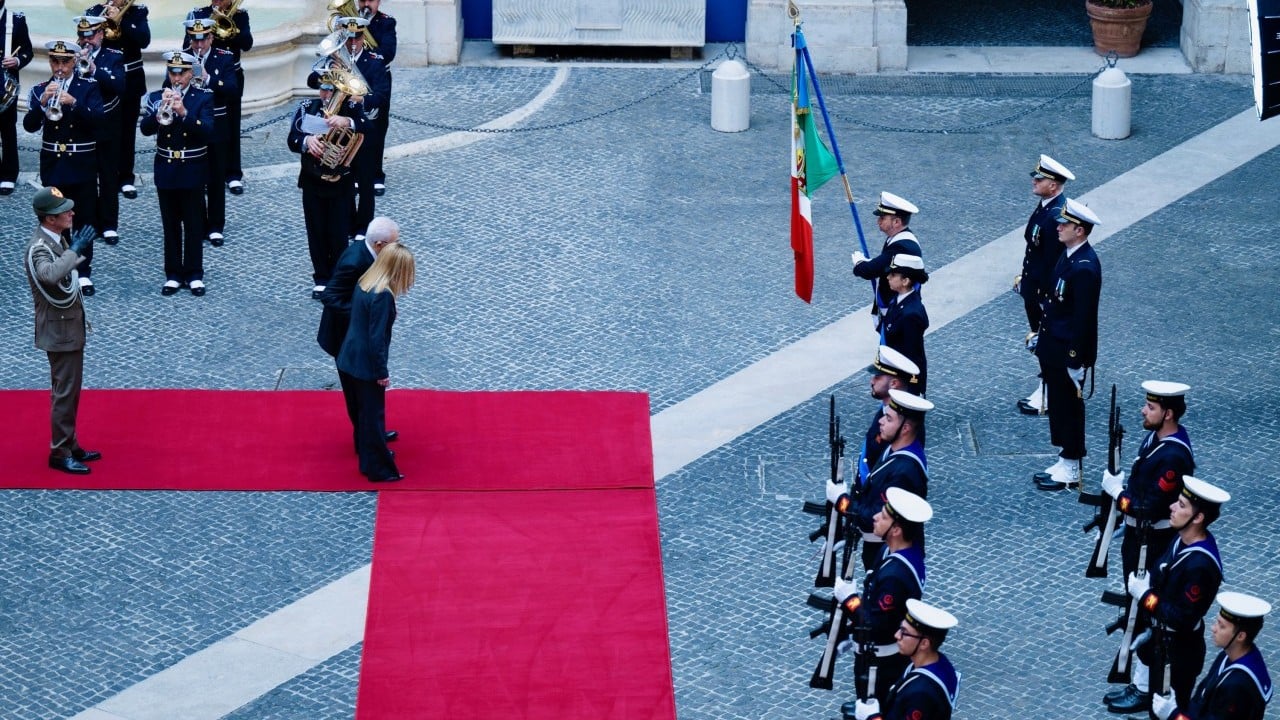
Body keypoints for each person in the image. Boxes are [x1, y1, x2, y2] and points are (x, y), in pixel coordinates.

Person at [1106, 476, 1229, 714]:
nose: (1171, 506)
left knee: (1168, 713)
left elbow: (1181, 618)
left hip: (1178, 653)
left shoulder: (1200, 565)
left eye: (1181, 505)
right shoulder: (1180, 539)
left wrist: (1145, 596)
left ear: (1198, 517)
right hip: (1162, 643)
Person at [833, 488, 932, 718]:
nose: (876, 517)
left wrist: (849, 599)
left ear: (896, 530)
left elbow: (875, 623)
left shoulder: (896, 575)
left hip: (882, 661)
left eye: (884, 516)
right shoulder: (892, 551)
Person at [24, 186, 100, 475]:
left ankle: (70, 443)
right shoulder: (39, 247)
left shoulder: (55, 238)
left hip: (67, 327)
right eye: (63, 211)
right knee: (64, 392)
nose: (71, 213)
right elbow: (50, 275)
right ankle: (59, 451)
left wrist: (70, 249)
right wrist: (74, 251)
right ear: (49, 219)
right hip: (59, 331)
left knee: (70, 391)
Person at [23, 40, 104, 296]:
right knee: (55, 218)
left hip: (81, 164)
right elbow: (29, 125)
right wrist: (42, 103)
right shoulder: (39, 88)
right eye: (55, 61)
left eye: (65, 62)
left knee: (83, 217)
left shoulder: (88, 87)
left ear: (73, 62)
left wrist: (74, 103)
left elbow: (98, 121)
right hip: (54, 164)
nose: (60, 67)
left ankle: (84, 271)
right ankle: (58, 267)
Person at [1032, 197, 1102, 490]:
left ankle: (1072, 465)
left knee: (1068, 408)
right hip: (1053, 345)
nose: (1058, 227)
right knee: (1058, 406)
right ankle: (1064, 457)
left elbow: (1083, 318)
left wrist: (1076, 359)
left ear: (1080, 230)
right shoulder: (1069, 255)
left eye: (1065, 224)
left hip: (1067, 351)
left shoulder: (1084, 266)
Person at [318, 216, 400, 449]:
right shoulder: (355, 261)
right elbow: (330, 296)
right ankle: (367, 442)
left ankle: (372, 435)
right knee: (359, 395)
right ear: (380, 245)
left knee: (367, 394)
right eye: (395, 243)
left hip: (354, 334)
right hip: (345, 337)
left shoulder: (366, 252)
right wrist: (364, 314)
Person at [1100, 381, 1196, 578]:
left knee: (1140, 603)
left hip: (1153, 541)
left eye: (1151, 407)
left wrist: (1117, 493)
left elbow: (1149, 507)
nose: (1143, 411)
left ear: (1167, 414)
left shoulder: (1173, 458)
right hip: (1138, 533)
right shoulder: (1155, 437)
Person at [337, 242, 415, 483]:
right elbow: (376, 339)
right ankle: (378, 468)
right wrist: (382, 372)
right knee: (373, 416)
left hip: (349, 356)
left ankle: (368, 459)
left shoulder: (366, 282)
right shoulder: (382, 296)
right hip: (366, 364)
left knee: (363, 415)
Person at [289, 63, 368, 298]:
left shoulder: (350, 110)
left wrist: (348, 123)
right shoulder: (308, 108)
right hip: (312, 181)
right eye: (322, 89)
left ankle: (339, 276)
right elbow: (292, 138)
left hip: (341, 182)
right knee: (316, 231)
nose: (324, 95)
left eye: (329, 90)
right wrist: (307, 142)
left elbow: (368, 127)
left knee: (339, 231)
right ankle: (321, 277)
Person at [140, 50, 213, 296]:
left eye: (182, 72)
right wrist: (159, 110)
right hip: (167, 169)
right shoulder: (157, 97)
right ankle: (172, 273)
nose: (177, 77)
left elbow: (209, 132)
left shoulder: (204, 97)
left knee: (193, 225)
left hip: (192, 169)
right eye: (173, 72)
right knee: (170, 225)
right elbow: (145, 129)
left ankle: (194, 273)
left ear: (191, 73)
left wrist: (184, 114)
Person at [836, 388, 930, 571]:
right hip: (880, 547)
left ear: (905, 428)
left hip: (888, 548)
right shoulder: (892, 449)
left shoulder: (905, 470)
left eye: (888, 419)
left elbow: (877, 516)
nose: (880, 421)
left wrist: (844, 504)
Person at [1151, 591, 1273, 720]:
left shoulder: (1237, 685)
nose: (1213, 628)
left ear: (1240, 636)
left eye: (1222, 626)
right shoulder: (1228, 655)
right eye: (1217, 622)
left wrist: (1173, 715)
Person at [1015, 154, 1073, 415]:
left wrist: (1044, 294)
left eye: (1040, 179)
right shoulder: (1046, 207)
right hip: (1034, 289)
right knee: (1042, 342)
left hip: (1043, 293)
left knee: (1048, 344)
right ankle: (1048, 386)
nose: (1034, 182)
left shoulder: (1056, 214)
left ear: (1054, 184)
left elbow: (1054, 261)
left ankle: (1049, 392)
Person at [852, 598, 960, 720]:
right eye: (900, 628)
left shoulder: (920, 694)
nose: (897, 635)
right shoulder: (941, 665)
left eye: (904, 632)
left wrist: (871, 717)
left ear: (924, 644)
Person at [85, 0, 150, 200]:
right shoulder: (95, 11)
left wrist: (119, 21)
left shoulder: (137, 12)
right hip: (104, 80)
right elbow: (85, 40)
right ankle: (103, 174)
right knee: (103, 128)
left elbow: (144, 40)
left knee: (127, 131)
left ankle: (125, 178)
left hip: (130, 80)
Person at [183, 17, 239, 247]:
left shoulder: (224, 58)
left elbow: (233, 89)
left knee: (216, 176)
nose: (198, 46)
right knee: (195, 176)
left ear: (210, 38)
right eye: (194, 41)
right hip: (193, 124)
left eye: (202, 40)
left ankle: (216, 225)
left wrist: (208, 78)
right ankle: (197, 222)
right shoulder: (183, 57)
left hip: (216, 124)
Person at [186, 0, 250, 194]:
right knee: (204, 121)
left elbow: (247, 43)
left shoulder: (240, 15)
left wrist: (231, 26)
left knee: (231, 124)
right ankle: (206, 173)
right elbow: (186, 46)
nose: (218, 1)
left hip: (230, 75)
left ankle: (233, 174)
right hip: (202, 75)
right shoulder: (200, 14)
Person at [73, 16, 125, 246]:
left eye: (91, 35)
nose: (86, 40)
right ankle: (89, 222)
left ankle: (109, 224)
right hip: (84, 122)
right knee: (85, 175)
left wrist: (94, 69)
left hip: (108, 122)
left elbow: (119, 87)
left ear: (101, 34)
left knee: (108, 175)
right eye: (82, 35)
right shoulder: (72, 55)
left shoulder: (114, 57)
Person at [851, 192, 922, 324]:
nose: (878, 221)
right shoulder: (896, 238)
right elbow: (883, 265)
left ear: (896, 222)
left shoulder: (901, 247)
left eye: (883, 218)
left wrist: (859, 263)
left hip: (898, 317)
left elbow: (869, 271)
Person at [856, 345, 922, 486]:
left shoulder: (903, 424)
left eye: (877, 377)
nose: (871, 381)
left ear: (893, 383)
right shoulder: (885, 410)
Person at [880, 254, 929, 395]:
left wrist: (911, 386)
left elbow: (912, 355)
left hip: (903, 381)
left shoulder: (911, 314)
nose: (888, 277)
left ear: (905, 281)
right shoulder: (898, 301)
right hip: (893, 374)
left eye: (893, 274)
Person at [360, 0, 394, 196]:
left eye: (370, 0)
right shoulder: (346, 21)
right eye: (362, 0)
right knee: (352, 124)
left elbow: (388, 52)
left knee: (378, 126)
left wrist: (366, 52)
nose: (365, 3)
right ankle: (356, 173)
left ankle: (376, 174)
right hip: (353, 78)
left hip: (378, 78)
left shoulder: (386, 23)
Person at [1, 0, 34, 196]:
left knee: (7, 129)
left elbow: (28, 51)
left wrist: (17, 60)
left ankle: (8, 175)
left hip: (5, 84)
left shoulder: (16, 20)